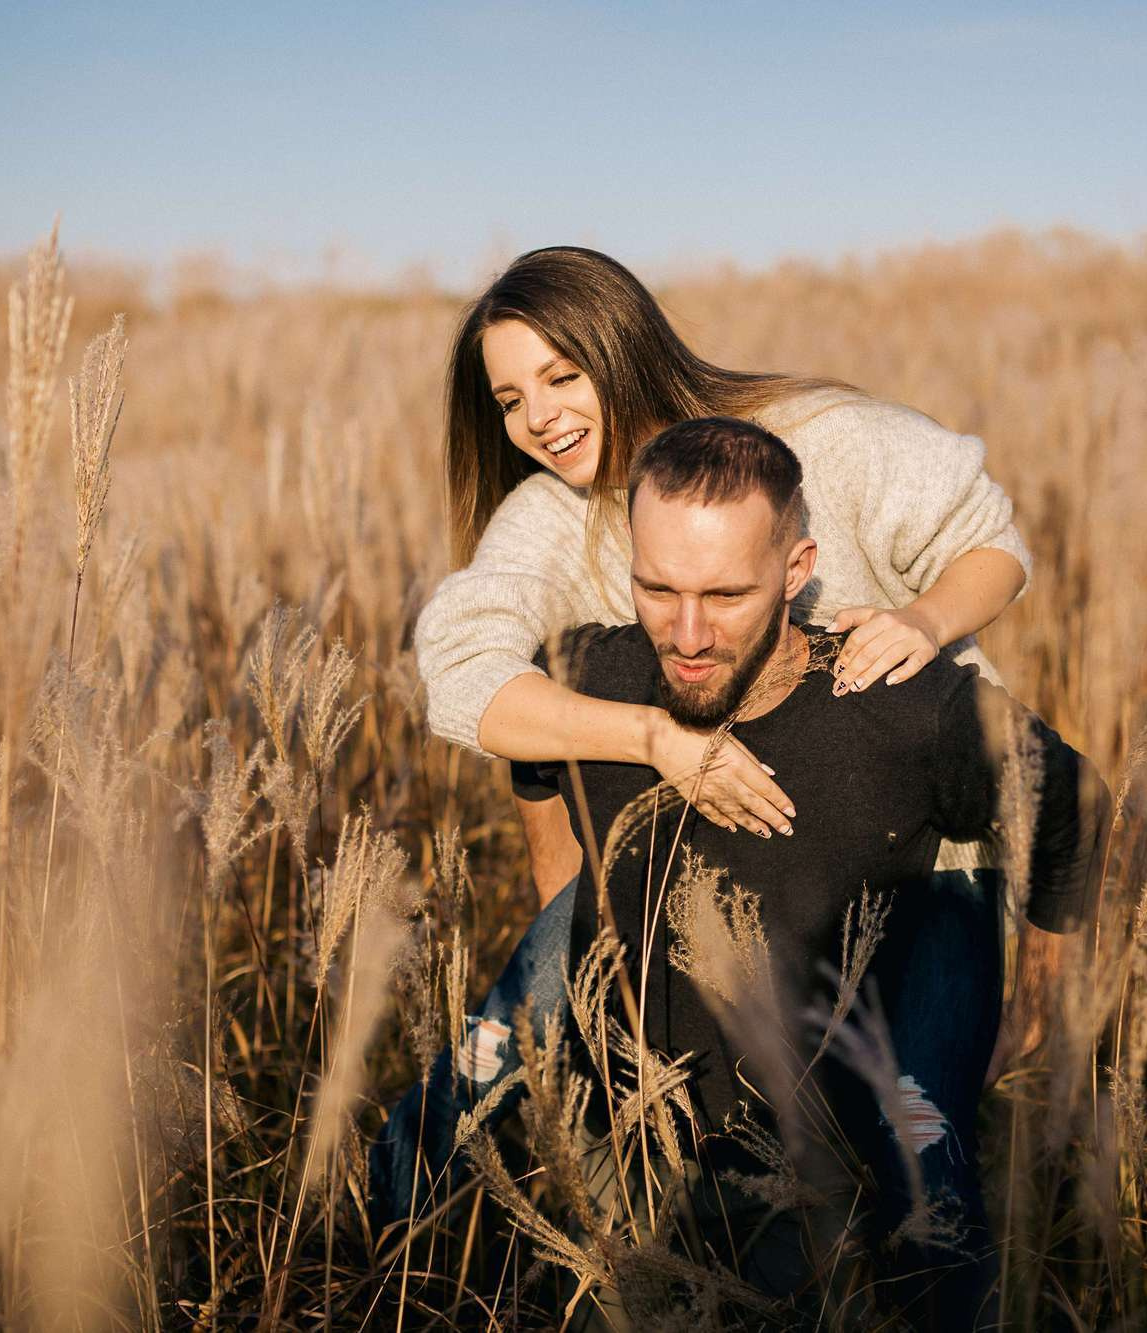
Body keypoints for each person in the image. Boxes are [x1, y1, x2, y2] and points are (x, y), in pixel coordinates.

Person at [376, 247, 1040, 1246]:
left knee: (918, 1152)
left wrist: (924, 618)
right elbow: (467, 677)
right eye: (510, 399)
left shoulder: (820, 438)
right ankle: (376, 1251)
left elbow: (990, 541)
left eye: (562, 376)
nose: (539, 417)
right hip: (710, 860)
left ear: (622, 346)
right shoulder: (549, 521)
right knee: (489, 1057)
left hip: (921, 866)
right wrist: (650, 745)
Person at [438, 417, 1110, 1322]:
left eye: (725, 594)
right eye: (657, 587)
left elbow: (1073, 802)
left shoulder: (903, 708)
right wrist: (567, 902)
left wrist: (1039, 1003)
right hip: (625, 1154)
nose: (687, 633)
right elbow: (531, 759)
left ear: (797, 572)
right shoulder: (589, 673)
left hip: (813, 1174)